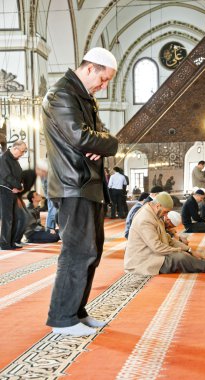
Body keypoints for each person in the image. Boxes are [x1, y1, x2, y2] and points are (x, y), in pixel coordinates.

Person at [42, 47, 118, 336]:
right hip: (73, 185)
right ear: (90, 69)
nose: (104, 85)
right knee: (77, 252)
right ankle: (62, 319)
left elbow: (101, 134)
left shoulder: (84, 98)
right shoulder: (61, 95)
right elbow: (82, 136)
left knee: (92, 252)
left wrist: (100, 142)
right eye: (104, 79)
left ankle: (76, 311)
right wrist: (101, 142)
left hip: (87, 185)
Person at [124, 192, 205, 275]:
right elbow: (157, 247)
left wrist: (189, 250)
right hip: (144, 260)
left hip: (153, 253)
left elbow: (168, 240)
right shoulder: (146, 219)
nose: (166, 216)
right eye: (165, 212)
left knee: (186, 253)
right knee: (179, 258)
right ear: (158, 205)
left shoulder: (155, 213)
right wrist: (181, 251)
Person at [0, 140, 27, 250]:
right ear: (15, 148)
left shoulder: (14, 159)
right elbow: (7, 176)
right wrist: (18, 187)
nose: (22, 154)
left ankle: (11, 241)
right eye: (22, 151)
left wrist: (20, 186)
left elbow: (19, 175)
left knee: (16, 217)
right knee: (7, 218)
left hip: (13, 191)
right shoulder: (4, 158)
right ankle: (4, 243)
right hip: (5, 190)